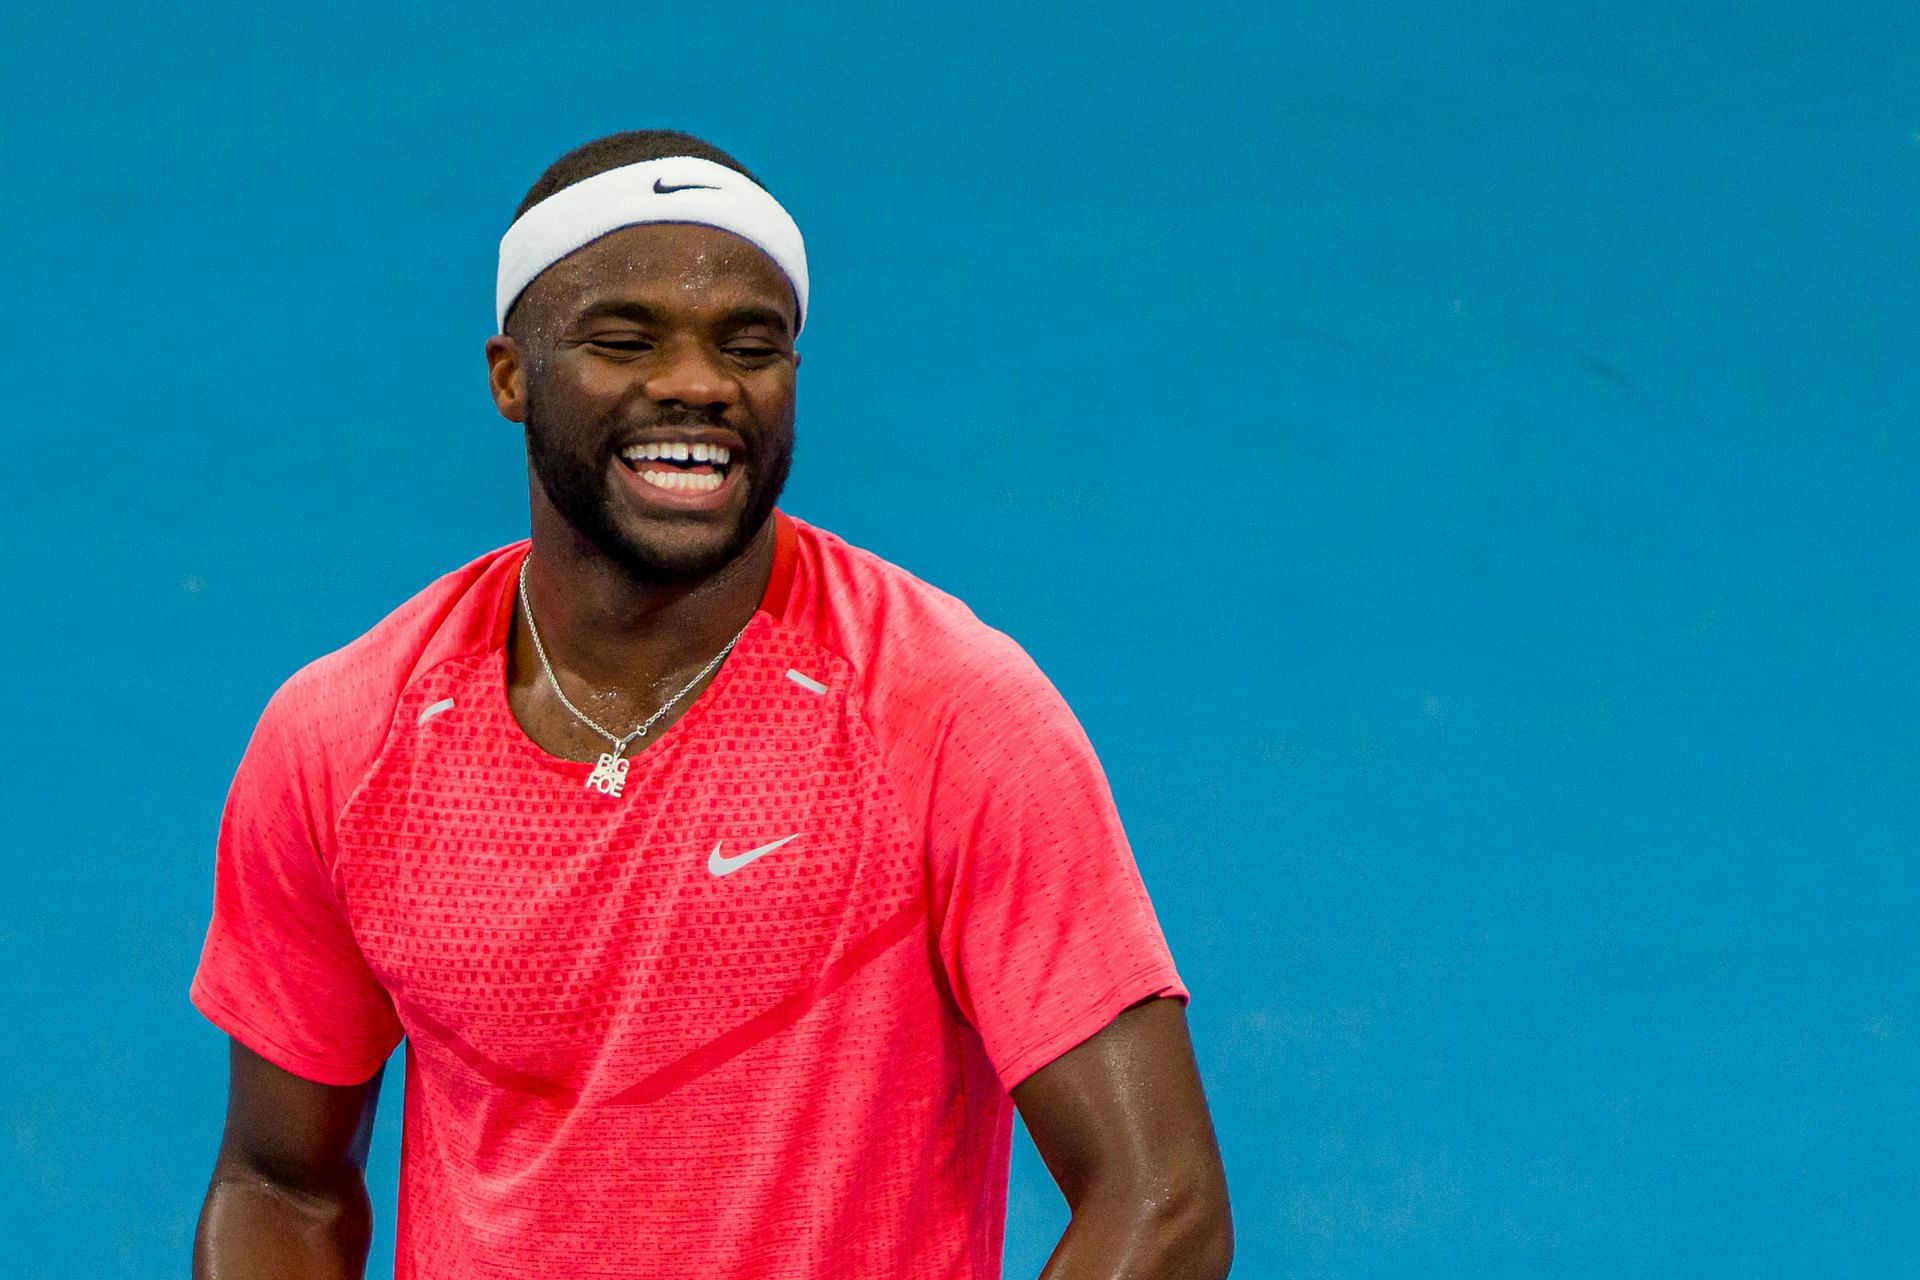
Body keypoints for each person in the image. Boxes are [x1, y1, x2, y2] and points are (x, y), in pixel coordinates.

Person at [188, 128, 1232, 1280]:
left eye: (752, 343)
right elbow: (277, 1183)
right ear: (510, 376)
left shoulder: (950, 713)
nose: (698, 382)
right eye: (624, 337)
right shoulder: (344, 738)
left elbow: (1161, 1199)